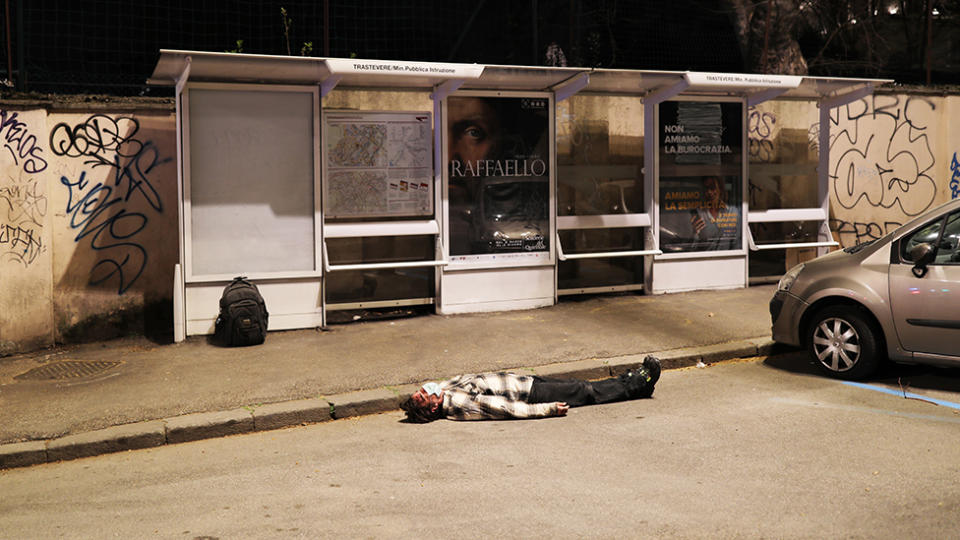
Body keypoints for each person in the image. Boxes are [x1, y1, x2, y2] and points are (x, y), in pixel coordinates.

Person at [399, 356, 661, 423]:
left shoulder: (444, 391)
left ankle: (634, 384)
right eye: (423, 396)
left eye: (420, 391)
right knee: (585, 391)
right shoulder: (459, 405)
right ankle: (641, 381)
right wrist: (546, 410)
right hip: (529, 394)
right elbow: (506, 409)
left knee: (582, 387)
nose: (425, 389)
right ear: (433, 407)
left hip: (525, 382)